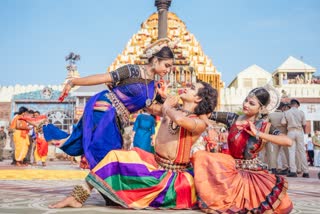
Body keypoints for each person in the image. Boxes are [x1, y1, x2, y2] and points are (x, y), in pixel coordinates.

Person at [48, 81, 217, 209]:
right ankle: (78, 196)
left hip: (171, 180)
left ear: (198, 98)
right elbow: (150, 107)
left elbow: (179, 120)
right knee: (114, 155)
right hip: (154, 163)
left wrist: (166, 106)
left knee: (125, 177)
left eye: (192, 87)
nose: (186, 86)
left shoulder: (197, 122)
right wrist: (158, 94)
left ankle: (107, 195)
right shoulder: (173, 109)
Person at [42, 38, 176, 169]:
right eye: (167, 65)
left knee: (93, 148)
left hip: (117, 120)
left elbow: (155, 109)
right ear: (156, 60)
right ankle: (90, 187)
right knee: (107, 154)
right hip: (105, 108)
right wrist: (74, 82)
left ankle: (43, 125)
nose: (168, 70)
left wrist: (166, 99)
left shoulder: (153, 88)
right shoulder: (132, 70)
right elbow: (103, 78)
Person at [193, 86, 293, 213]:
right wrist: (210, 127)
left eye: (251, 103)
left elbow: (288, 141)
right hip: (231, 167)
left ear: (261, 108)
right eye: (246, 100)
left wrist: (258, 133)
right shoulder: (232, 118)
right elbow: (203, 113)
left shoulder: (264, 126)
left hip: (253, 172)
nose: (246, 105)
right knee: (201, 156)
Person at [284, 98, 309, 178]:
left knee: (291, 152)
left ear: (291, 105)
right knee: (302, 151)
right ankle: (306, 172)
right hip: (299, 131)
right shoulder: (301, 112)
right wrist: (304, 132)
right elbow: (304, 124)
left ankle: (293, 171)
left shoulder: (286, 112)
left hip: (290, 132)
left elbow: (283, 122)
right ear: (297, 105)